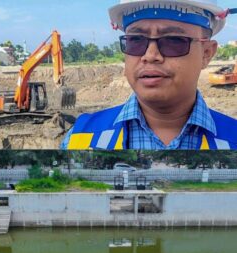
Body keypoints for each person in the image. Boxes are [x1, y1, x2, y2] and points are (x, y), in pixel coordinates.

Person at [61, 0, 237, 150]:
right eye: (136, 40)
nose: (150, 56)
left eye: (173, 41)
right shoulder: (81, 136)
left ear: (206, 53)